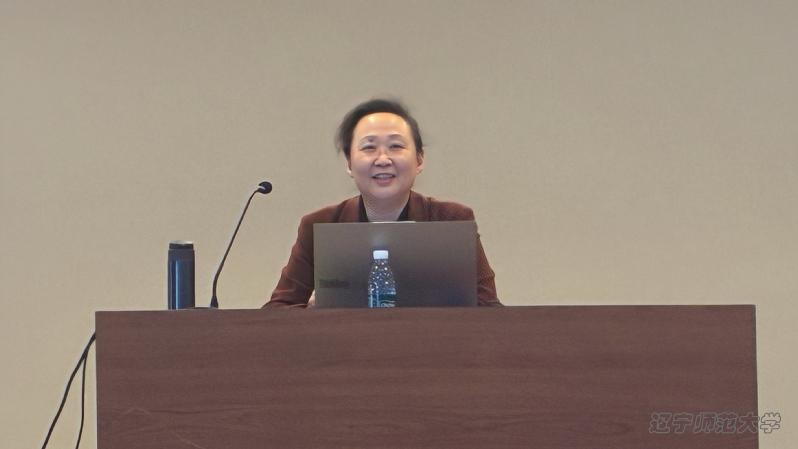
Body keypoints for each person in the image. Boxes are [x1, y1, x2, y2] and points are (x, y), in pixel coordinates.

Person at [264, 99, 501, 308]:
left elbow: (490, 309)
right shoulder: (319, 225)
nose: (383, 159)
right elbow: (276, 312)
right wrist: (314, 312)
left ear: (419, 160)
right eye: (369, 147)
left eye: (396, 146)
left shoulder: (451, 220)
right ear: (349, 163)